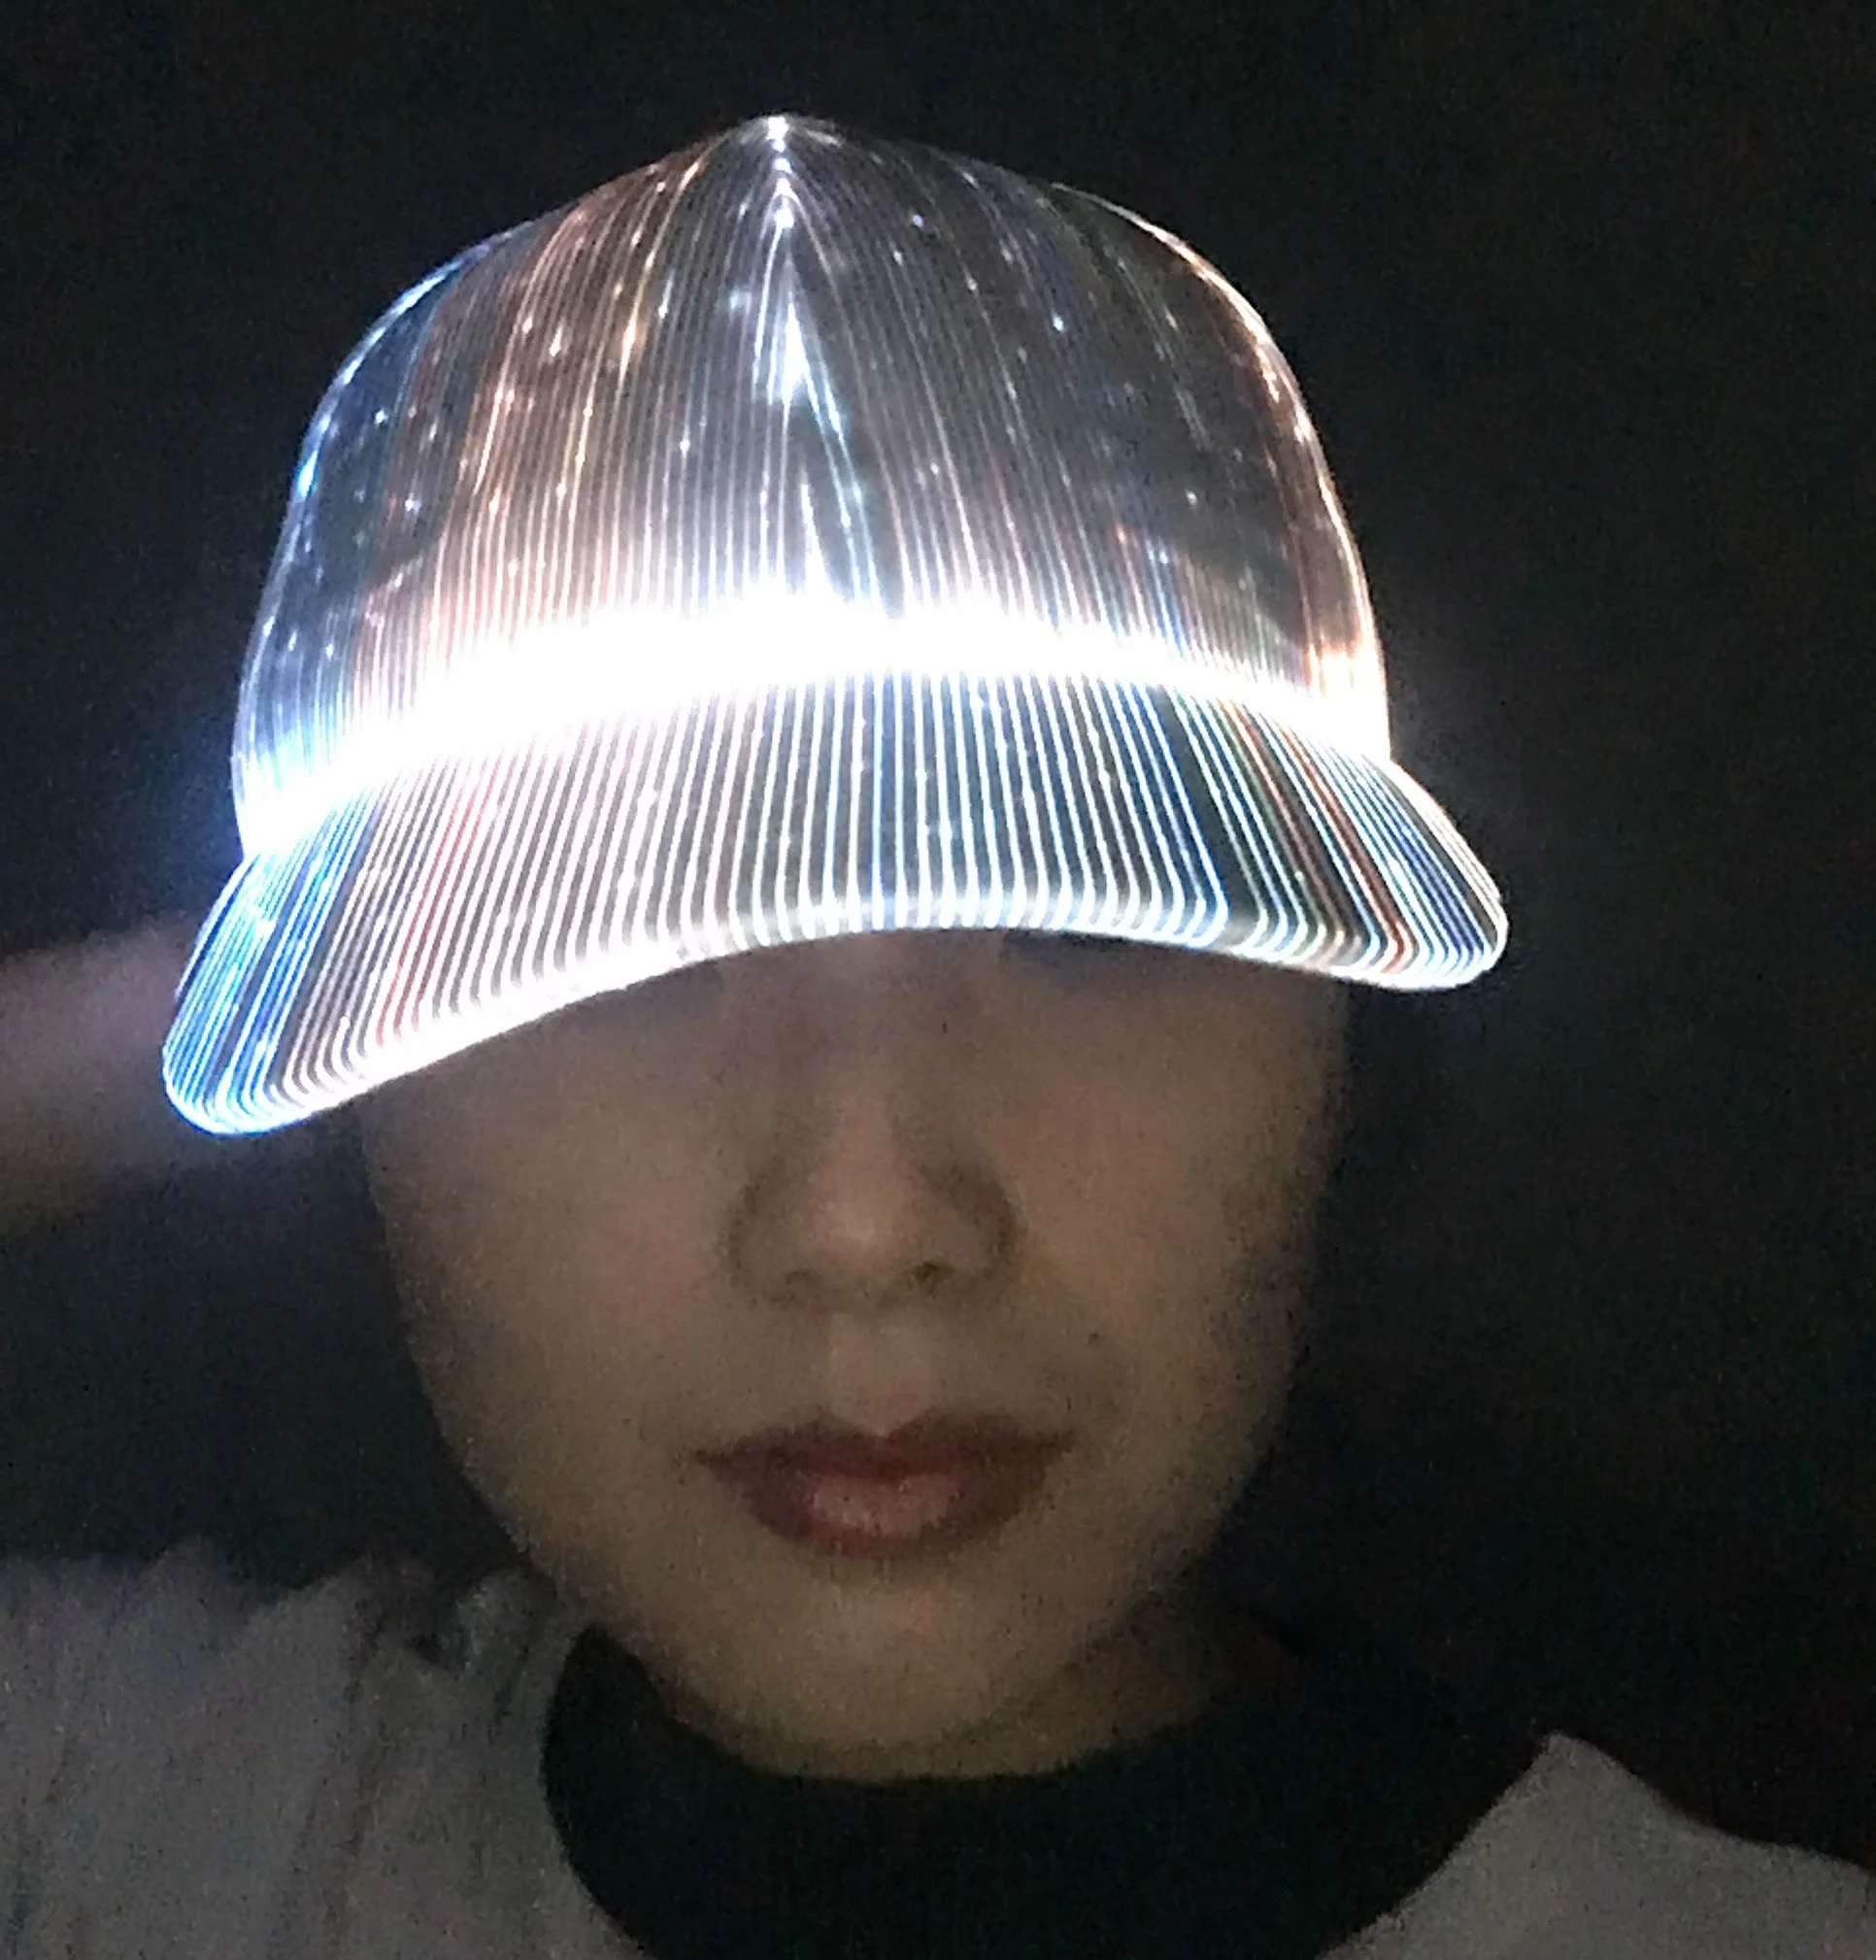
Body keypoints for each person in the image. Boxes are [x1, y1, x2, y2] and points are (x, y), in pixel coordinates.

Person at [1, 115, 1869, 1959]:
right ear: (371, 1076)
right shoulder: (155, 1822)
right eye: (613, 936)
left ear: (1340, 1050)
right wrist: (289, 978)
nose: (867, 1219)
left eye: (1090, 913)